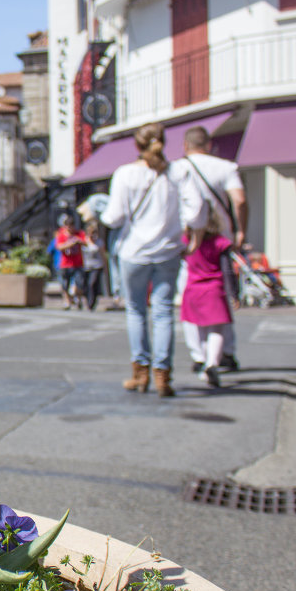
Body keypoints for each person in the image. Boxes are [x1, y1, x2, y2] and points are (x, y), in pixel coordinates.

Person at [101, 123, 204, 398]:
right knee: (162, 313)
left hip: (133, 252)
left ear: (138, 145)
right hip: (168, 251)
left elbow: (113, 217)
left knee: (136, 311)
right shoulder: (179, 172)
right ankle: (163, 377)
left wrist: (97, 215)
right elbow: (197, 211)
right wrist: (191, 236)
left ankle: (140, 373)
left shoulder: (125, 174)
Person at [170, 126, 249, 373]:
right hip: (219, 239)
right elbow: (240, 200)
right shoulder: (225, 167)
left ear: (185, 145)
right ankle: (225, 352)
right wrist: (240, 230)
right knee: (221, 296)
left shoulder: (175, 169)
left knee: (189, 297)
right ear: (209, 144)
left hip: (189, 241)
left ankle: (199, 354)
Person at [181, 211, 235, 388]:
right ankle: (212, 363)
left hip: (192, 290)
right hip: (214, 290)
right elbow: (228, 270)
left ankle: (203, 361)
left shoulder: (187, 241)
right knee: (217, 331)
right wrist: (234, 292)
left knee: (200, 330)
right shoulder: (220, 242)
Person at [53, 214, 87, 310]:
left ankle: (78, 299)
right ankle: (67, 301)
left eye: (71, 225)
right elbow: (59, 247)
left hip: (78, 263)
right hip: (65, 264)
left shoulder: (79, 233)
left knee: (79, 283)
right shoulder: (61, 235)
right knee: (65, 284)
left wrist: (78, 241)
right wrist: (70, 244)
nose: (69, 227)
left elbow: (86, 243)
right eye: (67, 225)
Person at [80, 221, 106, 311]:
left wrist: (105, 267)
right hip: (86, 266)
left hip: (96, 266)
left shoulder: (99, 242)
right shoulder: (83, 240)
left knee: (92, 283)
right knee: (85, 285)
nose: (92, 235)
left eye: (94, 233)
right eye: (90, 233)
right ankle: (88, 299)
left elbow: (103, 254)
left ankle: (91, 303)